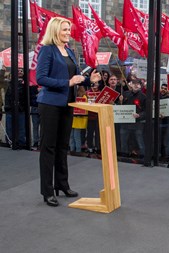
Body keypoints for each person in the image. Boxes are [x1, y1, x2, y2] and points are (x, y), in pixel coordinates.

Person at [36, 17, 101, 207]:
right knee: (49, 147)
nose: (68, 33)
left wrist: (90, 80)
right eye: (64, 30)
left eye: (68, 29)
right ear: (55, 31)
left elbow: (76, 78)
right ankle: (47, 191)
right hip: (50, 104)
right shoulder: (47, 50)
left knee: (63, 146)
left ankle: (62, 185)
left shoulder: (71, 52)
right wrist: (67, 83)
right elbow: (41, 78)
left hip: (67, 104)